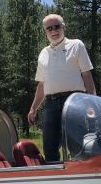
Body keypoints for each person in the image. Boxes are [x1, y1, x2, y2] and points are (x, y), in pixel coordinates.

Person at [28, 14, 96, 162]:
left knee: (77, 143)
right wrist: (33, 108)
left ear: (64, 27)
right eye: (49, 28)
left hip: (74, 101)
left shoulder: (76, 45)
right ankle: (55, 181)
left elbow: (87, 76)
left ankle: (81, 177)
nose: (54, 31)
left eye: (57, 26)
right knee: (50, 146)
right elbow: (41, 84)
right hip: (50, 104)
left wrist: (92, 103)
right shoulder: (43, 53)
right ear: (45, 31)